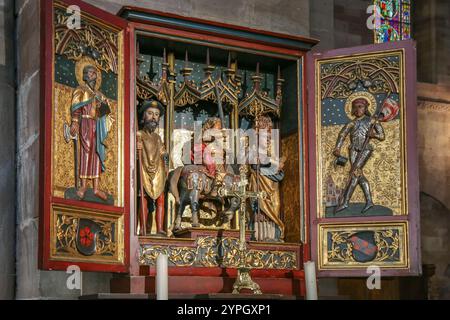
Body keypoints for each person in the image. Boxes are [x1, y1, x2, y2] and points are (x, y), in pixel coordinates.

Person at [333, 97, 385, 213]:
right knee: (359, 175)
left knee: (355, 173)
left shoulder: (371, 121)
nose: (357, 109)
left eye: (360, 106)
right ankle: (370, 201)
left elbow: (382, 136)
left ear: (365, 108)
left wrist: (373, 135)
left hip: (365, 149)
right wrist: (337, 148)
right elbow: (342, 134)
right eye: (355, 107)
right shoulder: (352, 123)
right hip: (353, 150)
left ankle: (345, 202)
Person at [70, 64, 112, 201]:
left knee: (97, 154)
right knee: (86, 152)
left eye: (94, 73)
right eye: (90, 73)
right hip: (86, 123)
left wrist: (102, 106)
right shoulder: (81, 90)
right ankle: (83, 186)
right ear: (84, 76)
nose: (93, 75)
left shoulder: (99, 94)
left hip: (97, 124)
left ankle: (96, 188)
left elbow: (107, 109)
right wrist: (75, 121)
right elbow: (76, 107)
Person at [249, 115, 285, 242]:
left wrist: (277, 163)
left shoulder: (272, 144)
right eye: (264, 131)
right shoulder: (254, 145)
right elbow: (254, 162)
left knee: (275, 204)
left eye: (269, 130)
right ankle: (261, 235)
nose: (268, 136)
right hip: (260, 178)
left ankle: (274, 234)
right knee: (261, 207)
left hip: (272, 180)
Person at [137, 100, 168, 236]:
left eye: (156, 114)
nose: (154, 117)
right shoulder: (139, 135)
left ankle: (160, 228)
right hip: (144, 168)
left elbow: (162, 152)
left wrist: (166, 160)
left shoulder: (158, 137)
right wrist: (135, 147)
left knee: (160, 198)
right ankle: (143, 228)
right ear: (143, 117)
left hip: (158, 170)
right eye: (150, 113)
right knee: (143, 197)